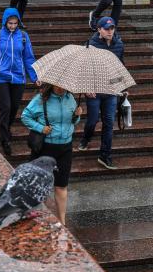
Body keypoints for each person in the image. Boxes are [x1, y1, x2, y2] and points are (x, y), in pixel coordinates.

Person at [0, 7, 40, 156]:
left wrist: (34, 77)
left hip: (19, 78)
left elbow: (28, 58)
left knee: (14, 108)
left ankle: (7, 127)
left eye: (15, 23)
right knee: (6, 107)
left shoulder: (24, 36)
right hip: (2, 78)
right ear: (5, 22)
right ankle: (5, 139)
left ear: (19, 22)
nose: (12, 26)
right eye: (10, 23)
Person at [22, 83, 82, 225]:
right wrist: (41, 128)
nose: (61, 88)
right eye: (58, 86)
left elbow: (73, 121)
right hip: (46, 147)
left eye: (64, 86)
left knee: (61, 186)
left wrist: (77, 116)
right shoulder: (41, 99)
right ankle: (37, 218)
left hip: (65, 148)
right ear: (52, 84)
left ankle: (62, 221)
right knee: (39, 185)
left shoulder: (71, 99)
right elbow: (25, 116)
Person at [79, 16, 124, 170]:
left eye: (112, 28)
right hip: (94, 90)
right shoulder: (90, 45)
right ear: (99, 29)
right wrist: (86, 87)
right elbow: (83, 68)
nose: (110, 31)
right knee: (92, 120)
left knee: (109, 123)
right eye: (106, 28)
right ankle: (86, 138)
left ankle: (105, 155)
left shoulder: (119, 44)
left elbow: (120, 66)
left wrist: (122, 86)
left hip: (110, 90)